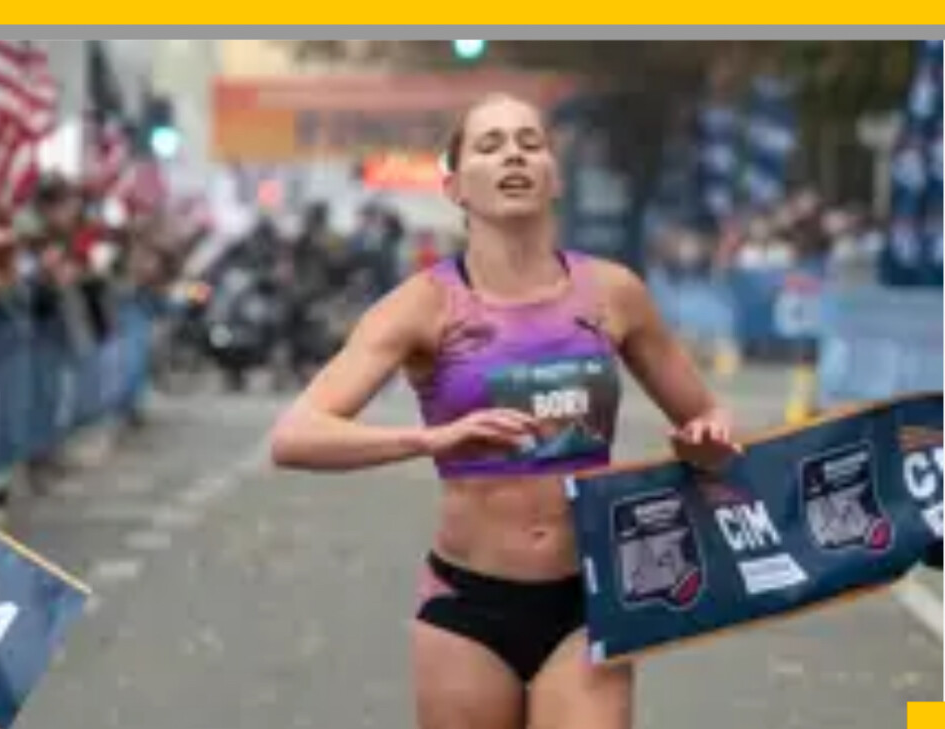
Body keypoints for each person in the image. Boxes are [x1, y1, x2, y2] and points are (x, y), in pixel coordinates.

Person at [269, 93, 740, 729]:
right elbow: (296, 435)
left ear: (555, 175)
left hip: (589, 598)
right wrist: (433, 440)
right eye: (489, 147)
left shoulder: (614, 293)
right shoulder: (423, 305)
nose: (513, 156)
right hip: (468, 608)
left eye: (529, 143)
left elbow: (705, 414)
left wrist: (708, 440)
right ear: (455, 187)